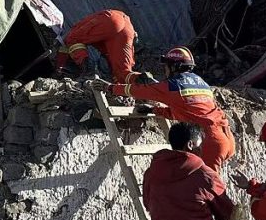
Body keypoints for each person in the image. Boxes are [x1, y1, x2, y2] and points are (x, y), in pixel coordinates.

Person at [91, 47, 235, 169]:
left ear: (174, 67)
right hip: (226, 138)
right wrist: (154, 110)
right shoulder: (201, 83)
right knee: (204, 187)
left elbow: (138, 90)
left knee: (205, 191)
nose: (165, 70)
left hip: (211, 141)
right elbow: (188, 112)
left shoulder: (172, 86)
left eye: (166, 66)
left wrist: (110, 87)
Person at [56, 9, 142, 83]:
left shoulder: (73, 31)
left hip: (110, 19)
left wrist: (59, 67)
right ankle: (147, 82)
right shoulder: (102, 43)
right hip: (127, 27)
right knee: (123, 72)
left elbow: (65, 44)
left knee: (72, 39)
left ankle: (89, 71)